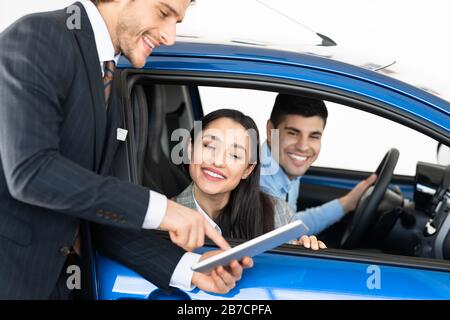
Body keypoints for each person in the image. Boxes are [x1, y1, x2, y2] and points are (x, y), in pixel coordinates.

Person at [0, 0, 251, 299]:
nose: (169, 36)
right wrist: (162, 210)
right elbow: (31, 171)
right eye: (163, 12)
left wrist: (189, 268)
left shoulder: (111, 79)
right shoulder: (39, 36)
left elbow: (95, 212)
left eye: (177, 21)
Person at [174, 109, 327, 250]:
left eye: (234, 155)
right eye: (209, 146)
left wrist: (301, 252)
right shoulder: (164, 218)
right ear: (190, 149)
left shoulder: (277, 213)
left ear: (247, 170)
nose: (218, 161)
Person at [260, 93, 377, 236]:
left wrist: (347, 203)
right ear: (270, 131)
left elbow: (289, 225)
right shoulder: (259, 187)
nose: (303, 147)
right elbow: (283, 238)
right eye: (293, 133)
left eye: (314, 136)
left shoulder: (284, 167)